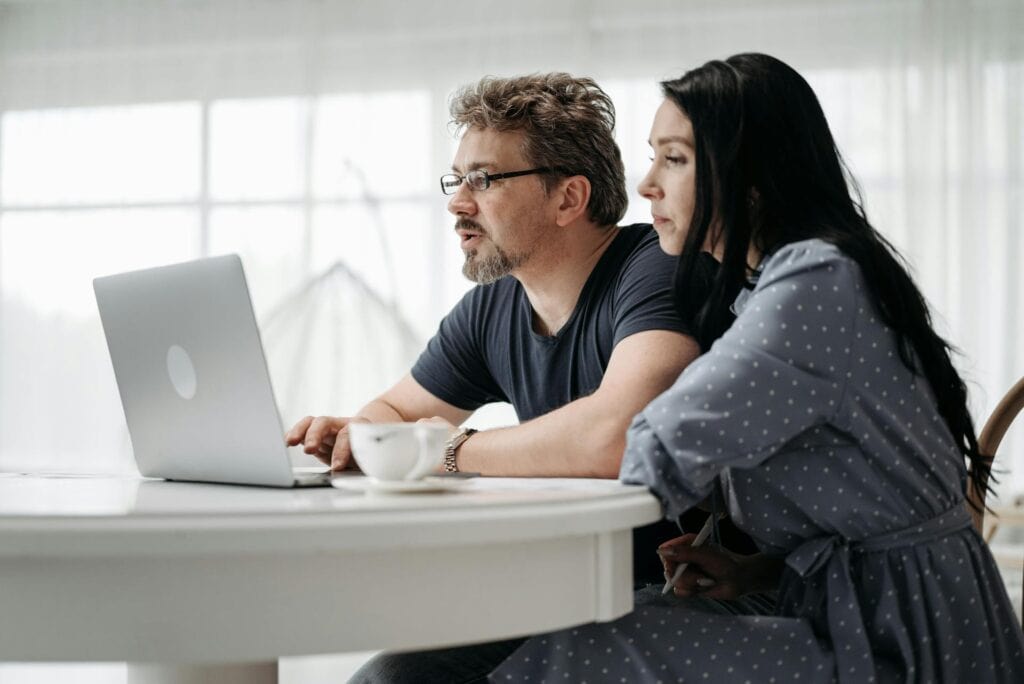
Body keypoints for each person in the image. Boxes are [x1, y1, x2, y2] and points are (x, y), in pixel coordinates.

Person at [490, 53, 1024, 683]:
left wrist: (455, 452)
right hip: (866, 608)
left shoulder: (815, 282)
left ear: (749, 178)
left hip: (908, 640)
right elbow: (873, 509)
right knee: (612, 633)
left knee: (584, 650)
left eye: (675, 159)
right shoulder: (787, 282)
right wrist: (755, 570)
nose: (647, 184)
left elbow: (646, 447)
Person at [290, 73, 706, 683]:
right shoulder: (495, 306)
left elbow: (618, 436)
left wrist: (449, 451)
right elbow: (393, 413)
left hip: (691, 589)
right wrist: (362, 435)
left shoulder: (654, 270)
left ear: (568, 199)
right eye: (456, 181)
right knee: (392, 677)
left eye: (483, 180)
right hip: (571, 591)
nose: (458, 202)